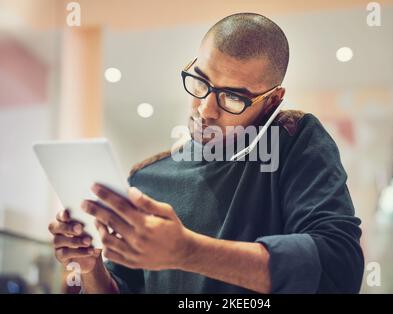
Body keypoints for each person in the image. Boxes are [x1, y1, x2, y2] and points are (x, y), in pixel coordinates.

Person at [48, 12, 364, 294]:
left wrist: (188, 252)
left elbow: (338, 269)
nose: (206, 109)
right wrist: (92, 268)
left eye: (233, 98)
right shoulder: (146, 177)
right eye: (201, 82)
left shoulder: (295, 139)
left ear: (272, 100)